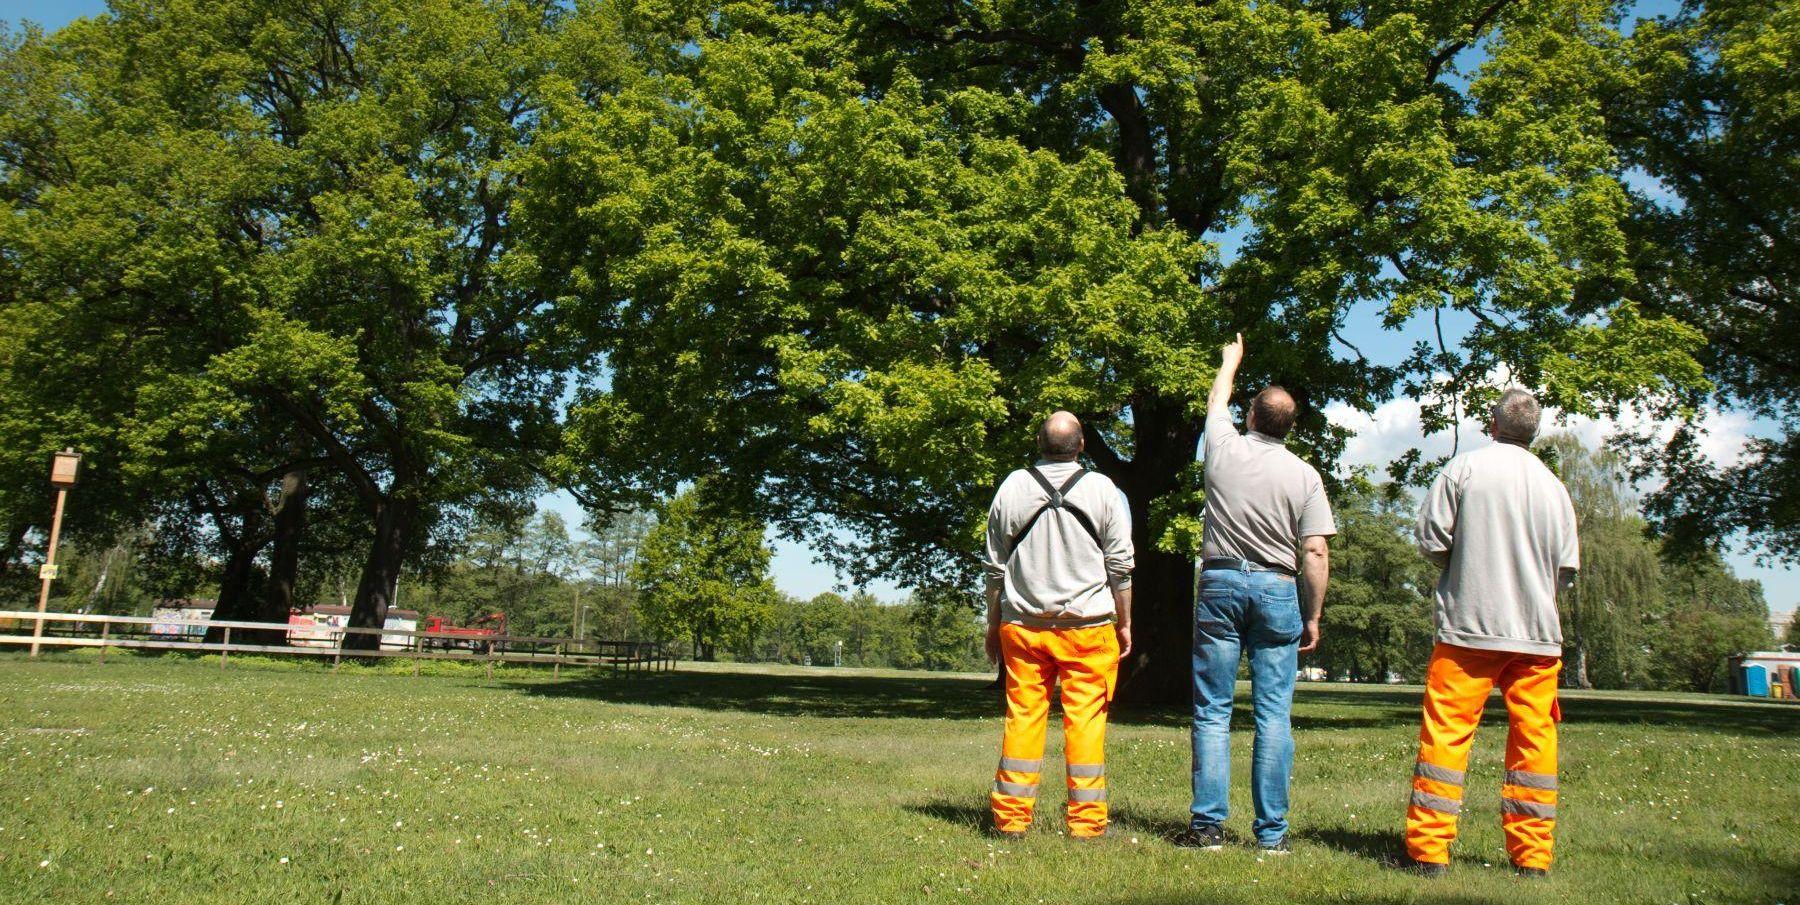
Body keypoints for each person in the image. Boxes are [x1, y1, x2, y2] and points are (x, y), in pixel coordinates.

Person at [1406, 388, 1577, 878]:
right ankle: (1533, 858)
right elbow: (1565, 569)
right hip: (1537, 635)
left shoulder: (1464, 469)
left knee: (1447, 736)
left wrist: (1462, 569)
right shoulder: (1554, 488)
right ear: (1535, 432)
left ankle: (1429, 852)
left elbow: (1431, 538)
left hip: (1469, 630)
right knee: (1535, 742)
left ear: (1492, 422)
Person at [1175, 333, 1334, 854]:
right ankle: (1272, 836)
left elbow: (1215, 400)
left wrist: (1231, 360)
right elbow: (1314, 552)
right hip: (1277, 587)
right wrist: (1312, 616)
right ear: (1291, 427)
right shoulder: (1307, 475)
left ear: (1250, 418)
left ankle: (1208, 828)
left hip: (1220, 581)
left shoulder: (1223, 448)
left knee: (1214, 709)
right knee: (1272, 713)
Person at [983, 411, 1135, 840]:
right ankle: (1087, 826)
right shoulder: (1104, 490)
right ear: (1083, 444)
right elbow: (1121, 566)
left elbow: (995, 567)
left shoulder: (1013, 486)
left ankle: (1010, 821)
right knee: (1085, 721)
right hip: (1089, 628)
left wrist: (993, 623)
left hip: (1023, 626)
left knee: (1024, 716)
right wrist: (1124, 622)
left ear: (1038, 442)